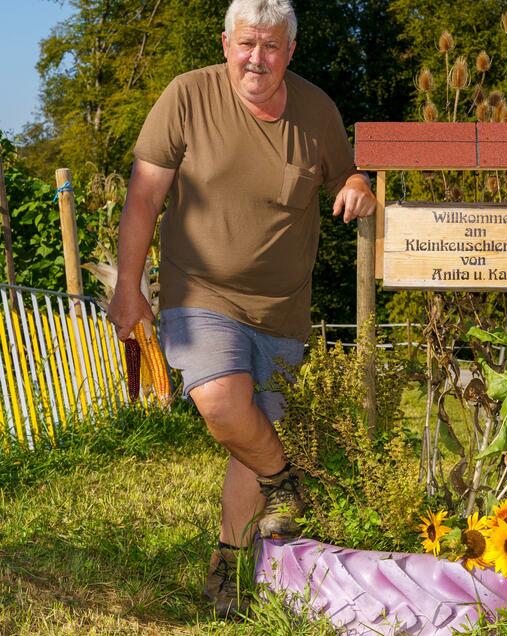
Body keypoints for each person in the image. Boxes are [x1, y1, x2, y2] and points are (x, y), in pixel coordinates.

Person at [107, 0, 376, 618]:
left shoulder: (317, 112)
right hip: (198, 288)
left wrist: (357, 186)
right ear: (226, 43)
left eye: (272, 47)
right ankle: (290, 481)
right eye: (247, 44)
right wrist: (129, 287)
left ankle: (227, 569)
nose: (258, 58)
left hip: (283, 310)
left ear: (291, 53)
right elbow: (145, 196)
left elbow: (347, 176)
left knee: (245, 445)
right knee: (222, 404)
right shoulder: (187, 96)